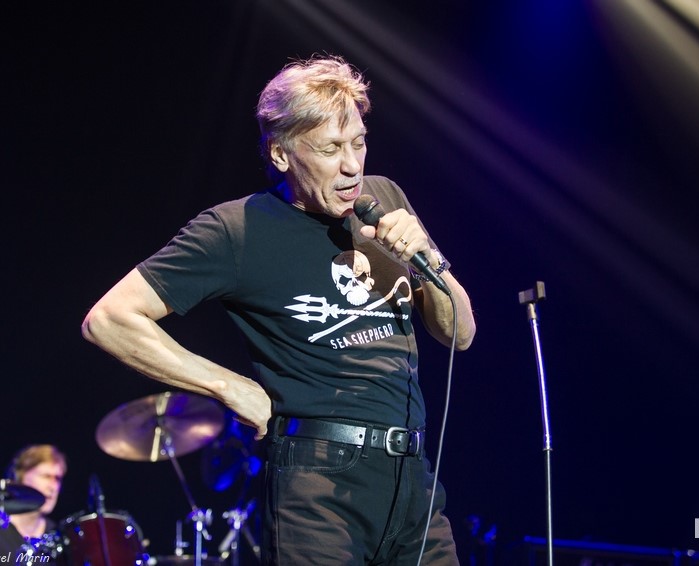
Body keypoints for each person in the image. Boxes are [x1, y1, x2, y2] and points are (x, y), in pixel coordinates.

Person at [82, 55, 476, 564]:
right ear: (281, 153)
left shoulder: (384, 198)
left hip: (413, 481)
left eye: (358, 142)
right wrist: (227, 386)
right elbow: (109, 319)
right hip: (319, 486)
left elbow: (460, 333)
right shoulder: (236, 229)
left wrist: (427, 259)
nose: (352, 165)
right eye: (330, 149)